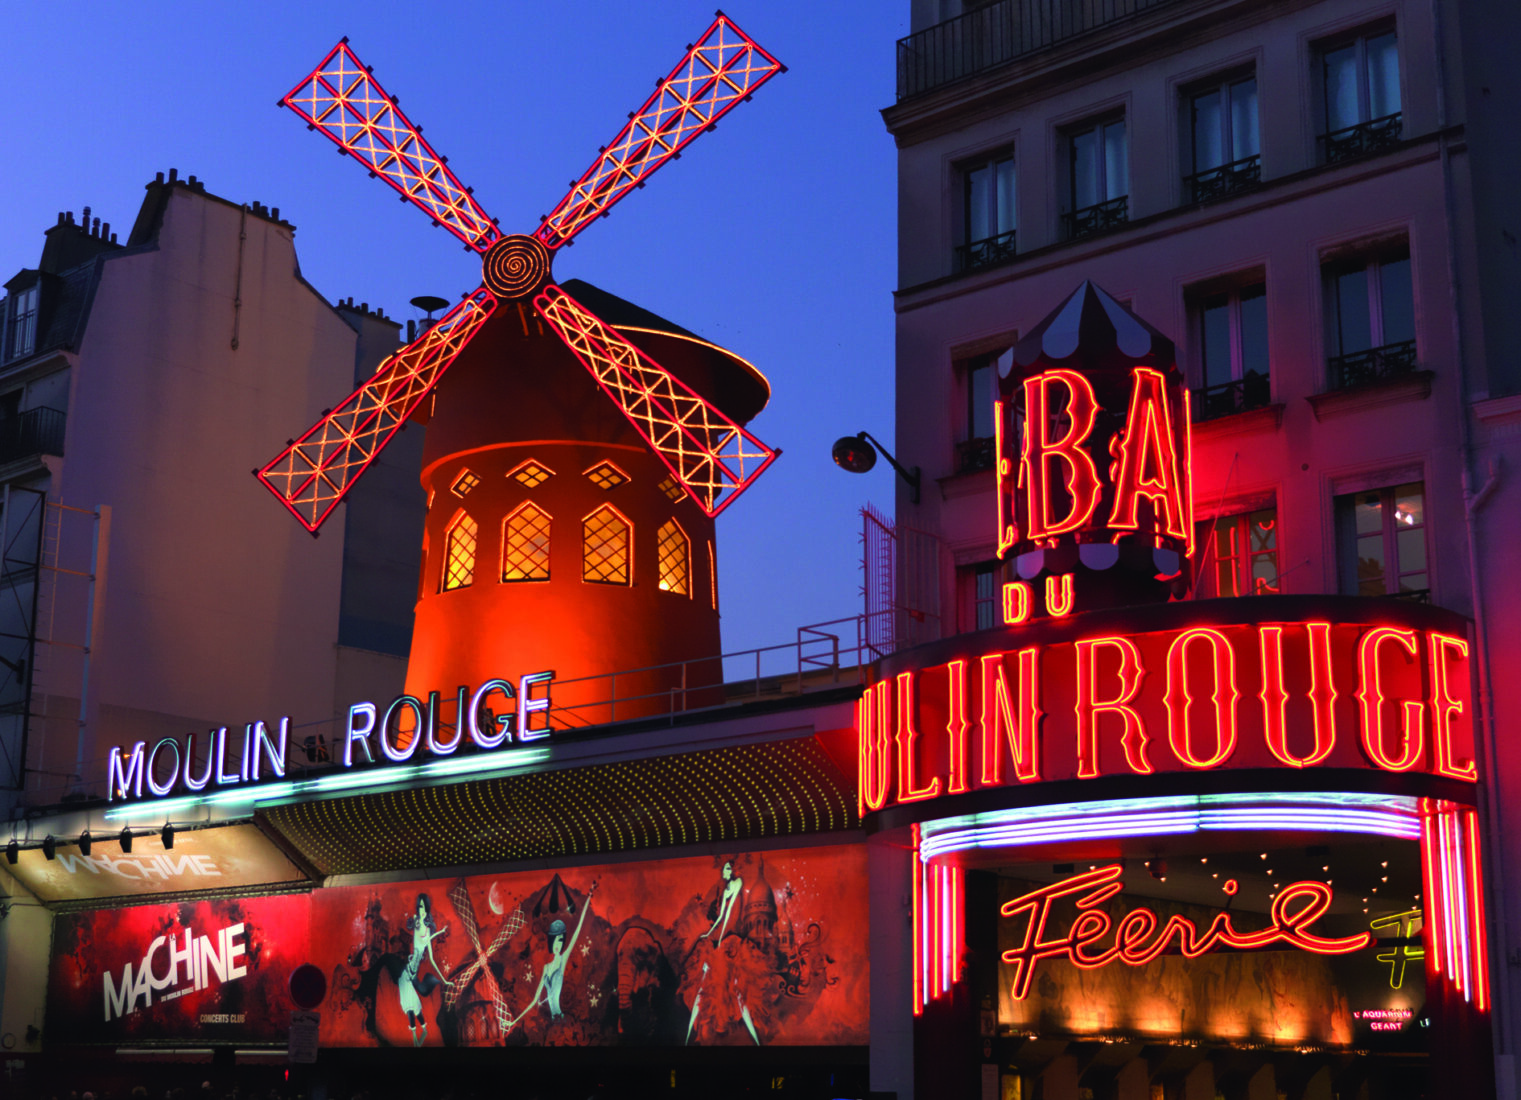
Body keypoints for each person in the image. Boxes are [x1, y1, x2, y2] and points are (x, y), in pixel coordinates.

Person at [684, 861, 760, 1045]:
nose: (723, 871)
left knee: (738, 991)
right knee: (702, 987)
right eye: (723, 868)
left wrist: (719, 942)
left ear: (733, 870)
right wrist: (709, 934)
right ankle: (687, 1038)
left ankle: (756, 1041)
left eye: (727, 868)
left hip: (730, 940)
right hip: (720, 938)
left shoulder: (738, 883)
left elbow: (729, 917)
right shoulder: (726, 889)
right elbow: (720, 917)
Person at [508, 882, 596, 1029]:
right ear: (550, 940)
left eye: (560, 940)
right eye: (555, 939)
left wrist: (588, 897)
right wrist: (514, 1020)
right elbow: (534, 1000)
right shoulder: (546, 968)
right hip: (553, 1022)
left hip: (561, 1019)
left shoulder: (563, 959)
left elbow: (577, 930)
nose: (558, 943)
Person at [397, 894, 451, 1046]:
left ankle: (418, 1037)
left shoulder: (427, 933)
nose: (421, 910)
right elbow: (408, 929)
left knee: (411, 1003)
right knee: (410, 1003)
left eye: (423, 907)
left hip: (411, 973)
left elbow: (432, 960)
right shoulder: (415, 922)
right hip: (408, 971)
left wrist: (445, 980)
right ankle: (418, 1036)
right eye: (419, 906)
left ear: (427, 910)